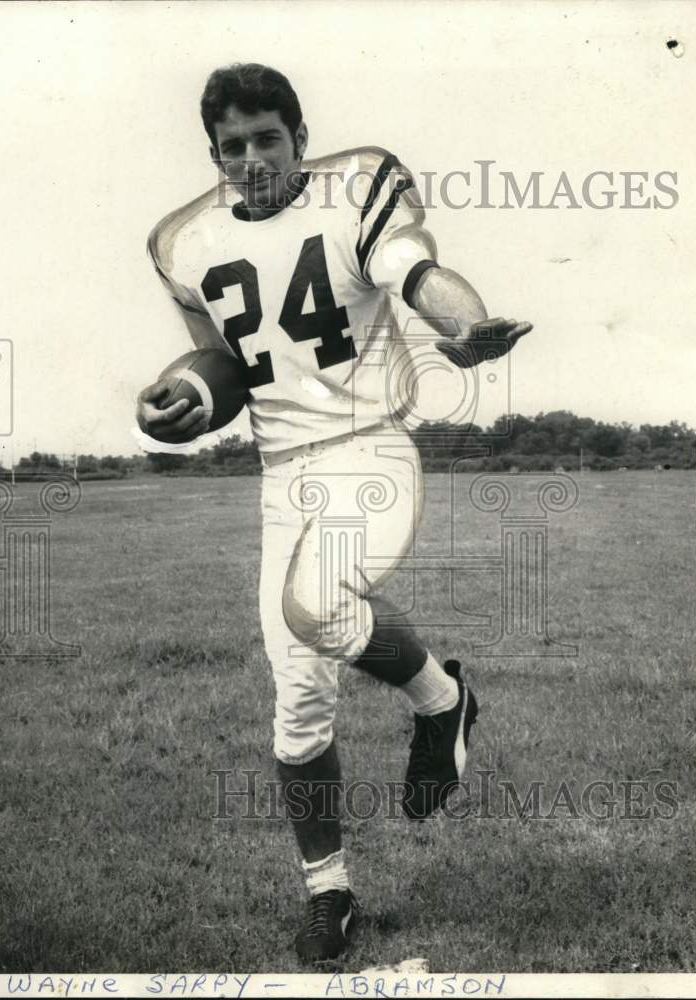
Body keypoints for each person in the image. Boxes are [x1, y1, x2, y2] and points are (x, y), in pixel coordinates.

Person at [134, 63, 531, 964]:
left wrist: (463, 329)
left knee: (313, 605)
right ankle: (330, 892)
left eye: (267, 138)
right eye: (232, 146)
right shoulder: (182, 241)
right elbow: (222, 366)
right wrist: (178, 398)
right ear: (213, 154)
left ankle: (441, 701)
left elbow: (420, 274)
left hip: (368, 449)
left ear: (300, 138)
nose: (252, 159)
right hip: (283, 474)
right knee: (297, 706)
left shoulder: (355, 189)